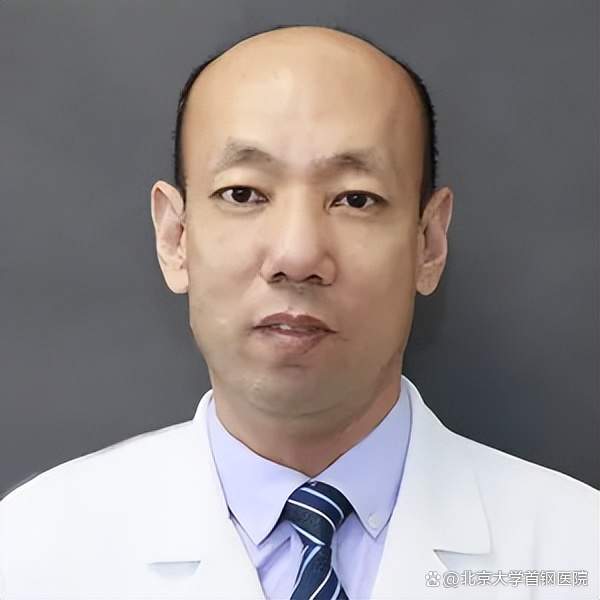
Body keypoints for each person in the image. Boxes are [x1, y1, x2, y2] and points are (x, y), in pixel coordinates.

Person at [0, 24, 597, 600]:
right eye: (243, 193)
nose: (297, 255)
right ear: (175, 237)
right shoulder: (30, 555)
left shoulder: (578, 553)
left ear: (428, 244)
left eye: (355, 198)